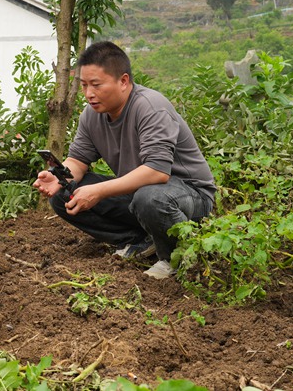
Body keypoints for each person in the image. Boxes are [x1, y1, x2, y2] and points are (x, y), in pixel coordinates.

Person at [33, 41, 215, 279]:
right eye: (84, 85)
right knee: (65, 194)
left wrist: (98, 191)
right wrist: (60, 177)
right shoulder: (92, 115)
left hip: (189, 196)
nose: (88, 94)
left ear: (123, 81)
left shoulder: (150, 107)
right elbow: (78, 161)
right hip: (141, 193)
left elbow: (157, 173)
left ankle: (174, 258)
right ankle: (142, 241)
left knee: (149, 197)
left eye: (96, 85)